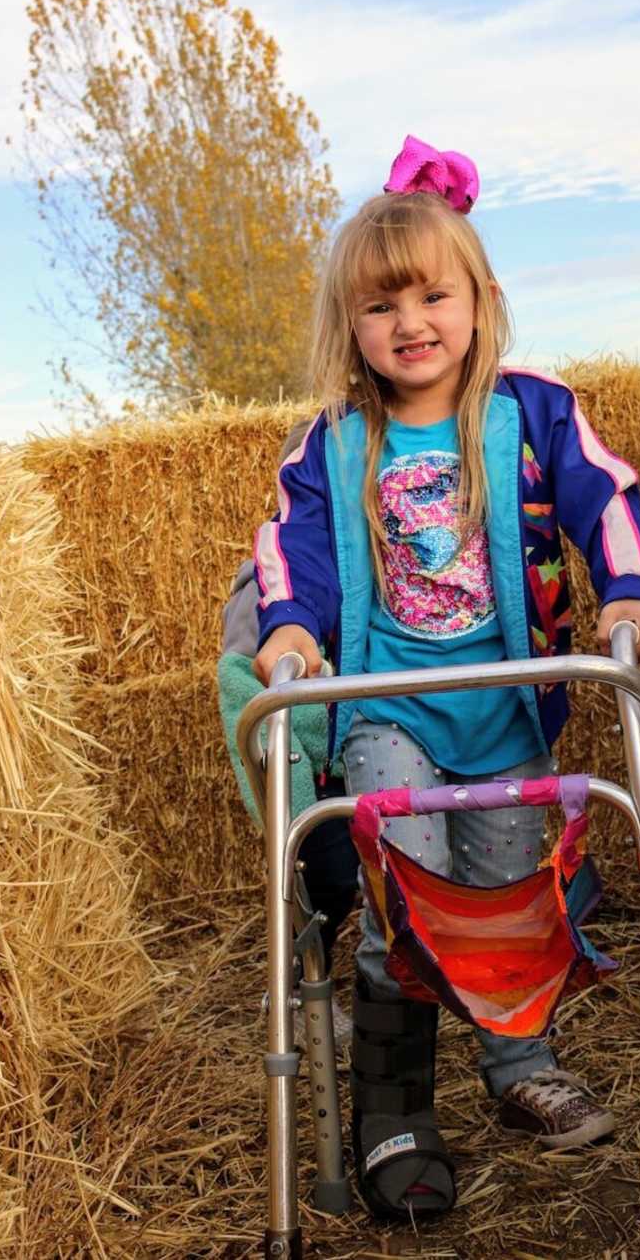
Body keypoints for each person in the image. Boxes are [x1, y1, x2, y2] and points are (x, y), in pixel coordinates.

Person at [252, 135, 640, 1221]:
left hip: (506, 708)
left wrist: (633, 593)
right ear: (350, 327)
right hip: (387, 709)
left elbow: (608, 498)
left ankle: (515, 1063)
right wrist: (294, 633)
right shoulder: (334, 444)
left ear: (479, 300)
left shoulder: (531, 413)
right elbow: (289, 553)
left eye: (432, 296)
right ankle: (395, 1108)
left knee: (497, 899)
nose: (411, 324)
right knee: (410, 894)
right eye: (380, 307)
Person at [218, 421, 359, 1043]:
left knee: (364, 882)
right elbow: (242, 687)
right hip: (314, 772)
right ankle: (300, 994)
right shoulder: (263, 590)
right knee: (325, 882)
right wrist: (288, 776)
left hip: (368, 754)